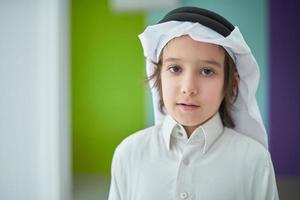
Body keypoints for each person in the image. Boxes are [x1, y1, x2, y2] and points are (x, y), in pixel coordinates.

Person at [108, 6, 279, 200]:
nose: (188, 88)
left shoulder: (255, 160)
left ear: (232, 84)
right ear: (158, 76)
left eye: (207, 71)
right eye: (175, 69)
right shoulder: (129, 153)